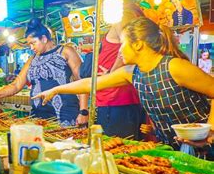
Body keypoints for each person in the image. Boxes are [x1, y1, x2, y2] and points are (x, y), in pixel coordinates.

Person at [34, 17, 214, 160]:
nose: (120, 50)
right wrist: (56, 90)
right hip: (176, 147)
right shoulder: (131, 72)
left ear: (138, 45)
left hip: (206, 146)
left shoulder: (174, 67)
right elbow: (91, 83)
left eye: (123, 43)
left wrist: (211, 130)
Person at [0, 18, 89, 125]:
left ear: (43, 39)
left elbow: (82, 81)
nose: (31, 47)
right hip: (38, 116)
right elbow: (16, 85)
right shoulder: (32, 59)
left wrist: (83, 111)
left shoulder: (66, 51)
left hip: (65, 114)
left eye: (33, 43)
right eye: (29, 44)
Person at [80, 2, 145, 139]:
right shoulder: (104, 40)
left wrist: (111, 72)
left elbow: (127, 45)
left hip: (121, 103)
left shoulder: (124, 16)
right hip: (111, 103)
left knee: (120, 150)